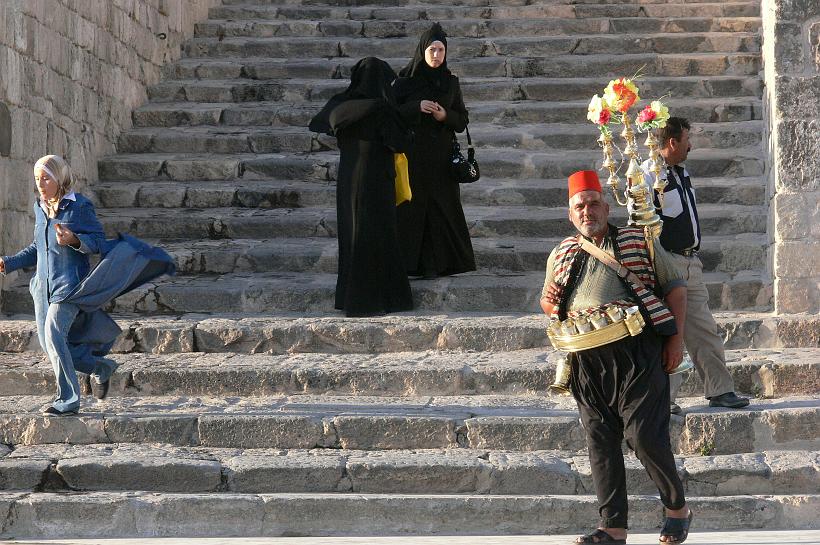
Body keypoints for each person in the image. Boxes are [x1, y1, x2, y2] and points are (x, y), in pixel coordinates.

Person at [540, 171, 693, 545]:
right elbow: (547, 301)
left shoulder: (638, 240)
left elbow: (676, 292)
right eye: (580, 206)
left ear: (607, 208)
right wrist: (557, 302)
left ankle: (677, 508)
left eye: (594, 203)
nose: (588, 210)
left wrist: (675, 342)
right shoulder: (561, 252)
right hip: (585, 360)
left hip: (637, 351)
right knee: (600, 441)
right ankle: (612, 529)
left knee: (644, 436)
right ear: (570, 214)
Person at [1, 155, 175, 416]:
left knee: (54, 335)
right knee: (54, 346)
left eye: (46, 177)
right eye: (37, 178)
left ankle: (68, 399)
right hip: (42, 288)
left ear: (59, 178)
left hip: (69, 287)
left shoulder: (79, 206)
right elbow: (39, 247)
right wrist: (9, 262)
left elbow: (98, 242)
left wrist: (74, 239)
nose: (41, 183)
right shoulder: (40, 207)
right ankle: (100, 368)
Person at [641, 117, 750, 411]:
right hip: (667, 265)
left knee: (703, 328)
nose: (691, 145)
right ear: (673, 142)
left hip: (691, 263)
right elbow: (641, 222)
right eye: (687, 139)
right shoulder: (648, 175)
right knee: (668, 330)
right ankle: (664, 398)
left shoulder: (682, 173)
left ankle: (720, 390)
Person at [309, 57, 414, 317]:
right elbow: (401, 142)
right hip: (378, 181)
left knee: (352, 237)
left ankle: (351, 298)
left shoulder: (342, 105)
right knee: (380, 236)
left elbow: (325, 124)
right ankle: (384, 298)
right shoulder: (382, 108)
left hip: (349, 181)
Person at [394, 23, 476, 278]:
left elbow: (462, 120)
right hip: (413, 156)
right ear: (423, 51)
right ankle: (411, 264)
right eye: (432, 50)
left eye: (441, 50)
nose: (437, 55)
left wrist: (445, 115)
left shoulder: (451, 83)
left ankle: (446, 263)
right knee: (413, 207)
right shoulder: (404, 82)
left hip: (442, 158)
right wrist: (415, 106)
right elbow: (391, 114)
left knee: (444, 207)